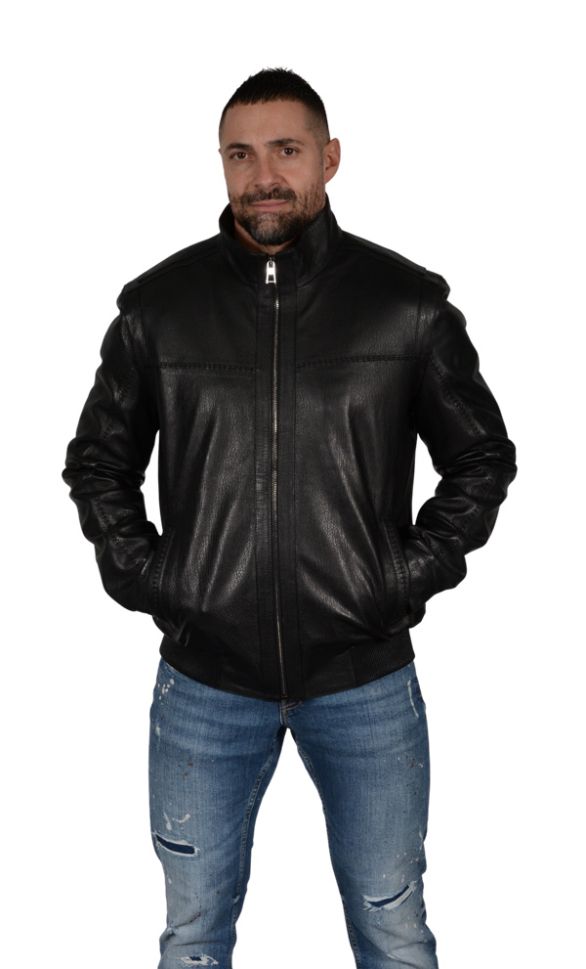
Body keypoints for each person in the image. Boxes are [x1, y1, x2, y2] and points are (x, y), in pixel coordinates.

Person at [62, 68, 517, 969]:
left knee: (393, 929)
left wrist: (396, 580)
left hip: (364, 680)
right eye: (240, 154)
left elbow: (481, 458)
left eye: (286, 151)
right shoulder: (159, 309)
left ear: (329, 159)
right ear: (221, 164)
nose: (263, 175)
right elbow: (98, 463)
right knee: (193, 938)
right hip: (205, 683)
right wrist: (161, 582)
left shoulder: (405, 304)